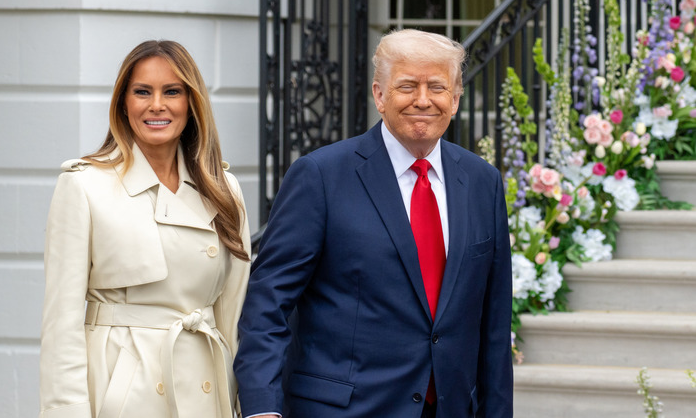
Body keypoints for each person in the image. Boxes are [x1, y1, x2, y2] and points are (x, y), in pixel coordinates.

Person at [234, 29, 513, 418]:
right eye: (407, 86)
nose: (423, 100)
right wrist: (262, 408)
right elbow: (268, 303)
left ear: (455, 99)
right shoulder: (320, 176)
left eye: (437, 87)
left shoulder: (482, 181)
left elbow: (494, 325)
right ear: (379, 95)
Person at [39, 40, 251, 418]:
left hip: (205, 391)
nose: (157, 105)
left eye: (172, 91)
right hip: (122, 393)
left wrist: (241, 403)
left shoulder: (223, 189)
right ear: (123, 102)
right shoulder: (84, 185)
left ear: (191, 103)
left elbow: (234, 315)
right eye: (142, 92)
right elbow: (61, 325)